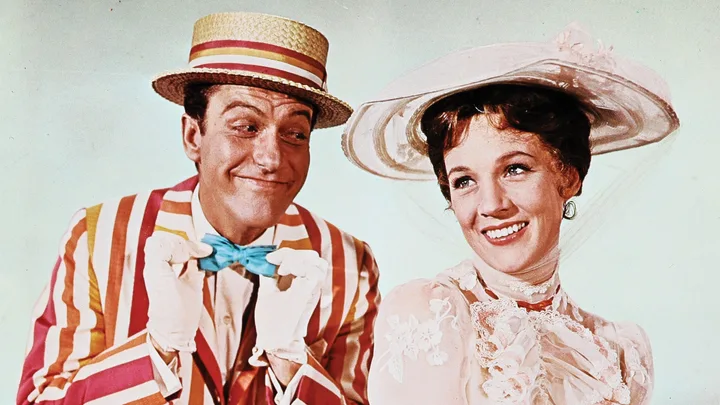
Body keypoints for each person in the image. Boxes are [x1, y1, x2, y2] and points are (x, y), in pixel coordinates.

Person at [17, 12, 380, 405]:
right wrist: (156, 351)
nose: (272, 158)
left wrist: (290, 365)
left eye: (295, 133)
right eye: (246, 126)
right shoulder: (99, 236)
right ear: (193, 136)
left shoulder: (350, 264)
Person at [341, 24, 679, 404]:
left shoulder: (621, 350)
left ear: (568, 175)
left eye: (515, 169)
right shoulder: (431, 312)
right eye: (465, 181)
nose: (491, 205)